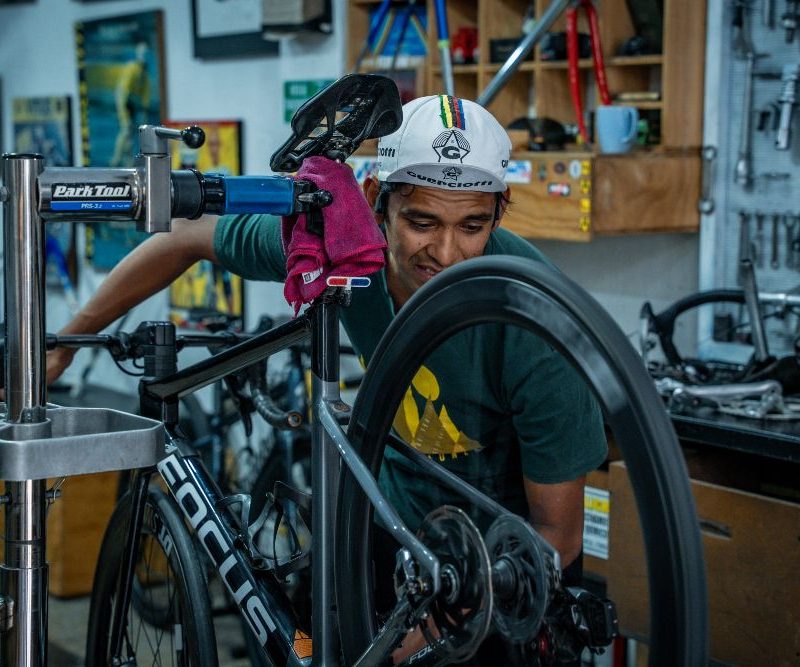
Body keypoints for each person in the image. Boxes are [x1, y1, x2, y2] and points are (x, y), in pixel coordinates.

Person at [49, 94, 606, 660]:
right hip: (391, 527)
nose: (445, 252)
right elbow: (188, 235)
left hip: (504, 571)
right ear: (375, 203)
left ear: (500, 211)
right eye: (421, 222)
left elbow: (557, 536)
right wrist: (65, 343)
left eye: (472, 225)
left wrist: (440, 627)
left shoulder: (534, 324)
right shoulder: (346, 250)